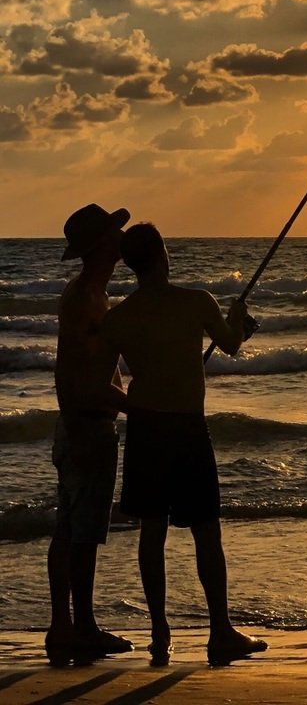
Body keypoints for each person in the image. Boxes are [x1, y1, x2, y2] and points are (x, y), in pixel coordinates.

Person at [99, 222, 267, 667]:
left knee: (151, 533)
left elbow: (101, 383)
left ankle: (159, 631)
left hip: (147, 431)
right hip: (188, 430)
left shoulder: (118, 318)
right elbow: (231, 344)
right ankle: (219, 632)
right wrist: (240, 319)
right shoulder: (197, 302)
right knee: (205, 532)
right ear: (164, 256)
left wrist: (137, 406)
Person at [47, 203, 134, 665]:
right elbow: (79, 379)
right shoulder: (86, 298)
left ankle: (65, 625)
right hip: (87, 428)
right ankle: (81, 627)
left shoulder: (90, 294)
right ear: (101, 245)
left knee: (68, 530)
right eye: (114, 234)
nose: (121, 240)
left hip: (80, 424)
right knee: (82, 534)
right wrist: (138, 407)